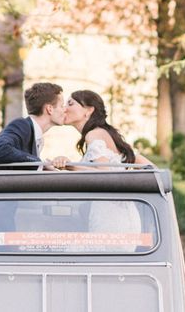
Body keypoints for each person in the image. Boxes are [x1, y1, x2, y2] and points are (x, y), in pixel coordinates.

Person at [51, 90, 154, 249]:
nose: (64, 108)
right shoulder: (106, 134)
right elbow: (148, 166)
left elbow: (104, 176)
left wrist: (69, 165)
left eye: (70, 103)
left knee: (63, 250)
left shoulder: (93, 135)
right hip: (120, 216)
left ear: (89, 110)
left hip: (112, 221)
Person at [0, 82, 65, 165]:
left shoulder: (35, 134)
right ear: (49, 109)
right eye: (62, 106)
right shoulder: (22, 125)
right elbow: (0, 150)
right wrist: (39, 163)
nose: (64, 110)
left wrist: (42, 169)